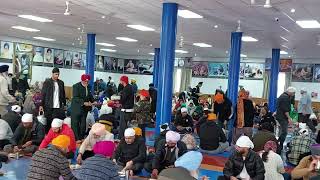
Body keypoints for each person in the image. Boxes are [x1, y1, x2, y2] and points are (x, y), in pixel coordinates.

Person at [39, 67, 66, 133]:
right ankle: (47, 135)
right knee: (48, 121)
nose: (57, 76)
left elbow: (63, 94)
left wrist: (64, 104)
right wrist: (41, 105)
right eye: (56, 74)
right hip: (48, 105)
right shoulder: (47, 82)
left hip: (58, 106)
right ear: (52, 74)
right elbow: (43, 94)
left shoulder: (61, 83)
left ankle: (54, 134)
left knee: (56, 121)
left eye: (58, 74)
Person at [71, 74, 95, 141]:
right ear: (82, 80)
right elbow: (75, 98)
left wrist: (94, 101)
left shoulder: (89, 86)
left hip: (85, 109)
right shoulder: (76, 86)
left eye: (87, 81)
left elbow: (90, 95)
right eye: (85, 81)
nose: (86, 83)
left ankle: (81, 137)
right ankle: (76, 139)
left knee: (83, 124)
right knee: (75, 124)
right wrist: (84, 103)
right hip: (76, 108)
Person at [276, 87, 296, 154]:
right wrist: (289, 118)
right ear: (290, 92)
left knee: (282, 131)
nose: (294, 95)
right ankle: (279, 143)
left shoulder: (283, 95)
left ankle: (278, 143)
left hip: (280, 116)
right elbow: (285, 110)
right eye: (293, 93)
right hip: (282, 117)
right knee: (284, 132)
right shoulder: (285, 98)